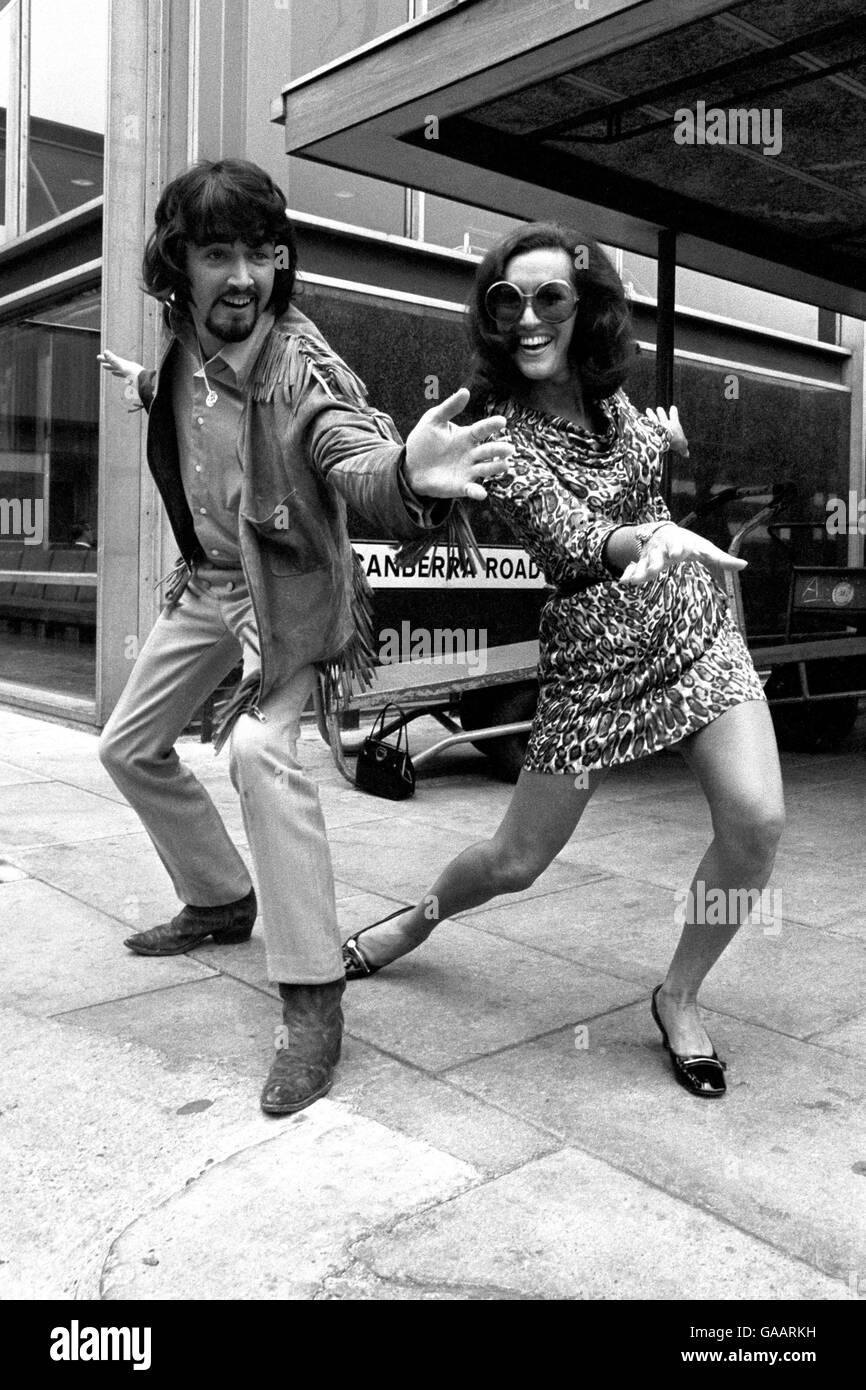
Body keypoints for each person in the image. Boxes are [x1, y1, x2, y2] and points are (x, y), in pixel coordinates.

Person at [97, 158, 511, 1117]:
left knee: (259, 751)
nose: (243, 276)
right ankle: (218, 900)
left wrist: (406, 470)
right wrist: (140, 388)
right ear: (178, 268)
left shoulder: (298, 366)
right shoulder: (179, 347)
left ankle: (313, 994)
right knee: (126, 746)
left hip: (289, 598)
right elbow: (183, 406)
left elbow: (348, 450)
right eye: (217, 254)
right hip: (206, 587)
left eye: (261, 253)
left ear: (281, 262)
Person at [341, 222, 785, 1100]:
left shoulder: (616, 406)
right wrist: (641, 534)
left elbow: (640, 497)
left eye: (551, 297)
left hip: (692, 635)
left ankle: (678, 996)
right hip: (593, 665)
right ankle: (417, 923)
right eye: (509, 301)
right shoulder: (497, 435)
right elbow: (576, 539)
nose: (529, 318)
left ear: (588, 311)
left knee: (756, 823)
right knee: (513, 863)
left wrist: (667, 461)